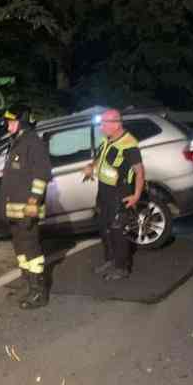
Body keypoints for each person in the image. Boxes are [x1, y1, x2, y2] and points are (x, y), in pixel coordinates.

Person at [0, 107, 53, 308]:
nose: (8, 125)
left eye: (11, 121)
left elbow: (42, 176)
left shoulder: (33, 143)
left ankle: (39, 293)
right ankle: (27, 283)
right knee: (20, 248)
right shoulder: (16, 143)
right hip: (14, 210)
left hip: (26, 209)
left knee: (31, 250)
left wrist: (33, 203)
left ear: (22, 122)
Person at [82, 109, 145, 281]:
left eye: (104, 123)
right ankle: (110, 260)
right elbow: (101, 157)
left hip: (120, 192)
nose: (101, 127)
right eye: (101, 123)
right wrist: (91, 166)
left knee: (117, 230)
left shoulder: (129, 144)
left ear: (117, 123)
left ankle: (121, 267)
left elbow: (139, 172)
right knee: (105, 228)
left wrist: (136, 195)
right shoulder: (108, 139)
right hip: (104, 191)